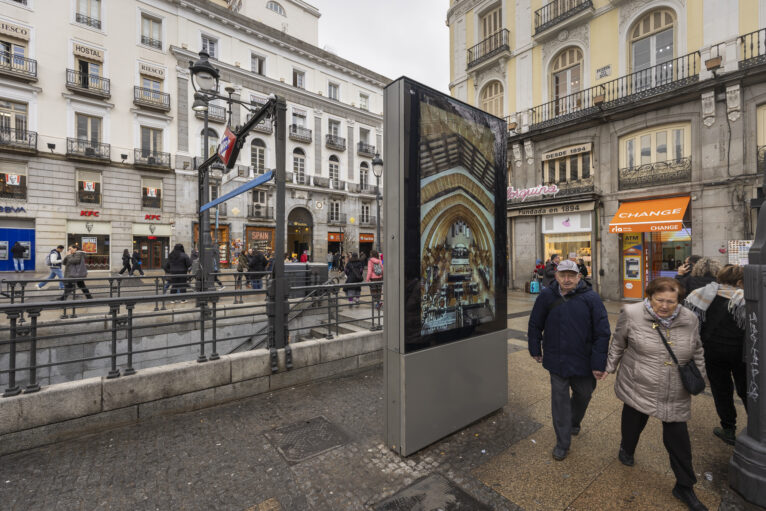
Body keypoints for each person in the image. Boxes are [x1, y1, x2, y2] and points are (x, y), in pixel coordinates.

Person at [603, 277, 707, 511]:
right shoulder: (631, 313)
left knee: (678, 438)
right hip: (638, 382)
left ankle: (684, 485)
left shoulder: (690, 318)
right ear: (649, 297)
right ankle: (626, 449)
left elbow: (697, 349)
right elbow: (618, 342)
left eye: (671, 301)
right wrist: (609, 367)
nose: (665, 306)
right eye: (660, 300)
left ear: (679, 301)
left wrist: (700, 378)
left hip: (675, 388)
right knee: (632, 424)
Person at [527, 259, 611, 461]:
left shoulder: (591, 298)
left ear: (579, 277)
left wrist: (599, 363)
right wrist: (534, 347)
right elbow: (535, 323)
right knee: (560, 401)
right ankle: (562, 442)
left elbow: (602, 332)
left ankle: (574, 421)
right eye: (562, 275)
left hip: (583, 359)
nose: (567, 279)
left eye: (571, 275)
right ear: (556, 277)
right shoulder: (547, 295)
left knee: (584, 394)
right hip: (556, 359)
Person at [684, 264, 747, 446]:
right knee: (746, 391)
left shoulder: (702, 294)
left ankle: (728, 428)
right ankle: (758, 430)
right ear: (740, 281)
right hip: (740, 353)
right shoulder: (746, 298)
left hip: (711, 351)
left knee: (721, 390)